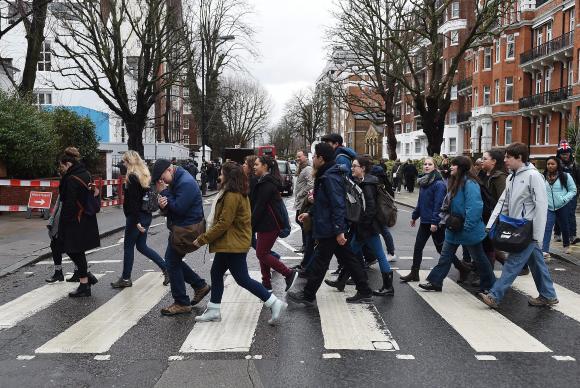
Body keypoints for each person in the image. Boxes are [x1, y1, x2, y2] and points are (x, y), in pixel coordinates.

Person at [192, 162, 287, 325]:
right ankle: (214, 309)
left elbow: (223, 223)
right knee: (216, 273)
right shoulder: (234, 192)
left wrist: (202, 239)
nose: (219, 176)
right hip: (230, 242)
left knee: (242, 278)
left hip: (233, 244)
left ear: (228, 176)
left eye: (222, 173)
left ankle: (273, 302)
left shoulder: (232, 195)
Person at [287, 142, 374, 305]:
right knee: (349, 259)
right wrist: (310, 213)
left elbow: (338, 205)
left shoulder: (329, 177)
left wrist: (339, 230)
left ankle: (307, 295)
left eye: (314, 156)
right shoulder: (326, 174)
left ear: (321, 158)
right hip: (331, 226)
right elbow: (323, 202)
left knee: (321, 261)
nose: (313, 159)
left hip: (331, 228)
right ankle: (364, 290)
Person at [480, 143, 558, 308]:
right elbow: (504, 202)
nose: (505, 160)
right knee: (536, 263)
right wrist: (492, 223)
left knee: (513, 263)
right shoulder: (511, 177)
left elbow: (541, 206)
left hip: (527, 229)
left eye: (508, 157)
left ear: (519, 158)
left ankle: (495, 295)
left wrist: (537, 234)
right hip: (517, 227)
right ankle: (548, 295)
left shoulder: (533, 176)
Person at [418, 156, 495, 293]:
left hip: (468, 229)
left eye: (454, 165)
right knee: (445, 256)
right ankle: (435, 281)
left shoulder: (470, 183)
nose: (451, 167)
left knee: (479, 258)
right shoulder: (455, 182)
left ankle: (490, 284)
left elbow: (475, 207)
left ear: (461, 168)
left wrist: (468, 227)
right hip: (454, 227)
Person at [325, 155, 394, 296]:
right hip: (364, 227)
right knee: (351, 253)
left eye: (354, 166)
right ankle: (341, 281)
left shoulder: (368, 185)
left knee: (378, 255)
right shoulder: (363, 181)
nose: (352, 168)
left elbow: (370, 209)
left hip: (368, 228)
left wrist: (363, 226)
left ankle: (388, 287)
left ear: (362, 168)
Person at [154, 159, 211, 316]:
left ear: (169, 170)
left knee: (171, 261)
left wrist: (164, 194)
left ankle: (182, 302)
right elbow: (170, 205)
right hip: (182, 227)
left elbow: (179, 208)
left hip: (187, 229)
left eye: (162, 178)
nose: (162, 182)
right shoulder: (177, 179)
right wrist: (163, 200)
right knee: (173, 261)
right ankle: (199, 285)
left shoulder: (185, 182)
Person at [111, 151, 169, 289]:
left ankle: (126, 278)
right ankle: (167, 269)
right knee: (142, 246)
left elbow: (133, 202)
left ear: (129, 162)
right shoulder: (145, 175)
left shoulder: (132, 177)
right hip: (146, 215)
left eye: (125, 161)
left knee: (128, 247)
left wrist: (135, 221)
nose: (123, 164)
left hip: (135, 217)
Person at [58, 147, 100, 297]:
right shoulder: (86, 174)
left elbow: (69, 203)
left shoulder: (70, 179)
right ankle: (86, 279)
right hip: (86, 218)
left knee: (72, 249)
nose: (61, 169)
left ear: (68, 164)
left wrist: (64, 222)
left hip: (75, 220)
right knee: (77, 250)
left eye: (62, 166)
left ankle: (84, 283)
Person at [252, 156, 298, 292]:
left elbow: (260, 207)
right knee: (263, 252)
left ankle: (288, 273)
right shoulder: (264, 181)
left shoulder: (267, 184)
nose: (254, 167)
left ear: (265, 166)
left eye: (257, 164)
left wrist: (250, 225)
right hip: (264, 224)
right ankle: (266, 283)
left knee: (261, 253)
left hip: (269, 224)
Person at [400, 157, 448, 282]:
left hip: (434, 223)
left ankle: (462, 267)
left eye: (430, 164)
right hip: (425, 222)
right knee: (418, 248)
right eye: (425, 164)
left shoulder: (439, 184)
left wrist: (434, 222)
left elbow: (438, 205)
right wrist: (415, 216)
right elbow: (421, 202)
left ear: (435, 167)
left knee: (441, 250)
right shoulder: (424, 182)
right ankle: (414, 273)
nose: (426, 166)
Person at [542, 156, 577, 256]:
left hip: (563, 205)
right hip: (549, 207)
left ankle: (566, 246)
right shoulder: (542, 176)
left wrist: (564, 199)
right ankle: (545, 249)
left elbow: (573, 190)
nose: (550, 166)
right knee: (547, 227)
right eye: (548, 164)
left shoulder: (565, 176)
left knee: (564, 226)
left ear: (557, 165)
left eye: (553, 164)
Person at [370, 165, 399, 262]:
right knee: (383, 232)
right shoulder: (386, 183)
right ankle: (389, 253)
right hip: (384, 212)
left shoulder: (378, 184)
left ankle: (390, 253)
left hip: (380, 212)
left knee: (383, 231)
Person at [555, 140, 580, 244]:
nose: (565, 156)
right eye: (563, 154)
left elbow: (578, 179)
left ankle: (572, 235)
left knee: (570, 213)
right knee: (559, 213)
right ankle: (557, 233)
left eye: (567, 154)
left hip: (572, 193)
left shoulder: (575, 165)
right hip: (559, 192)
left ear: (570, 153)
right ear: (559, 154)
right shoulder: (555, 165)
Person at [294, 150, 314, 253]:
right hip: (300, 201)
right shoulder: (301, 168)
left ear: (306, 157)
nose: (297, 158)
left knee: (302, 222)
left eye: (299, 157)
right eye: (297, 157)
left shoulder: (307, 169)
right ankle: (305, 245)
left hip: (304, 202)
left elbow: (311, 184)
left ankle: (307, 245)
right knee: (300, 221)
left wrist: (300, 193)